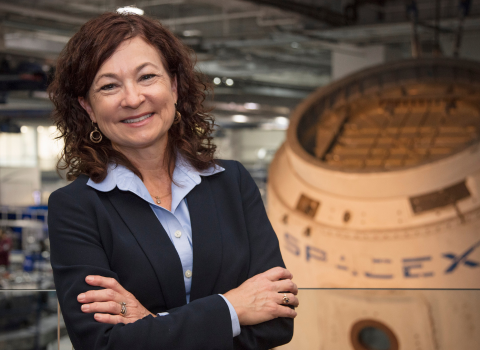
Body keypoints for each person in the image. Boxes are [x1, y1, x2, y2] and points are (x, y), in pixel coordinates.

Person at [47, 11, 298, 350]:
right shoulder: (75, 207)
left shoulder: (233, 183)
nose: (133, 98)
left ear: (175, 86)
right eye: (109, 86)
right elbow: (102, 343)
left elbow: (278, 319)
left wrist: (150, 324)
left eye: (147, 77)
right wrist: (234, 308)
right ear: (87, 107)